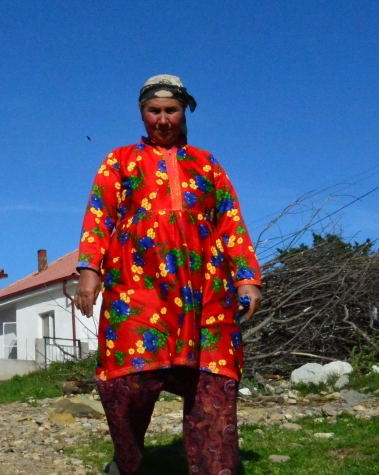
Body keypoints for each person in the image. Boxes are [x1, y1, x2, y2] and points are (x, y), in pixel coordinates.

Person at [74, 75, 263, 475]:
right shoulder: (119, 160)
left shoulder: (206, 163)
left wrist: (246, 276)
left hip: (205, 289)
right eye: (153, 111)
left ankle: (215, 468)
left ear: (184, 111)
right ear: (142, 113)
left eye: (170, 111)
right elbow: (99, 217)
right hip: (136, 285)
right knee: (128, 381)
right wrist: (89, 271)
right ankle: (128, 462)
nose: (162, 120)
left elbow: (231, 222)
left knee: (211, 383)